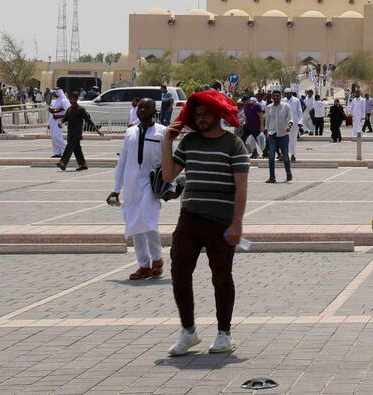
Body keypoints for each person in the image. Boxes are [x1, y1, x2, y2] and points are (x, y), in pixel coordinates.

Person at [162, 90, 249, 356]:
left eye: (205, 114)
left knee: (221, 277)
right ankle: (188, 332)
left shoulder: (234, 145)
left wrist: (237, 224)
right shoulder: (189, 143)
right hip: (189, 218)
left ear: (217, 114)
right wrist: (168, 140)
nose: (200, 120)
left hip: (221, 221)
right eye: (196, 115)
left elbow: (241, 189)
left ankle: (224, 334)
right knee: (179, 271)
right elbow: (168, 174)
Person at [109, 98, 167, 279]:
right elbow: (123, 161)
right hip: (131, 184)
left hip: (151, 184)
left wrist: (170, 185)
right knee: (134, 225)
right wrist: (116, 189)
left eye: (146, 107)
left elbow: (169, 160)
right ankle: (143, 265)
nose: (142, 110)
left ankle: (157, 260)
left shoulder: (163, 132)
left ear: (154, 111)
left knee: (148, 222)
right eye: (140, 107)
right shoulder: (130, 132)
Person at [57, 91, 103, 171]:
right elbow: (65, 118)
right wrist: (60, 122)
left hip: (77, 133)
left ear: (76, 99)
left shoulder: (81, 109)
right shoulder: (69, 109)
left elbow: (89, 121)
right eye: (69, 99)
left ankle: (63, 162)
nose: (70, 101)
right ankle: (83, 164)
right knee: (77, 149)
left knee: (69, 147)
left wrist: (98, 131)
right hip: (70, 132)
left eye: (72, 99)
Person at [263, 89, 293, 183]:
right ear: (272, 97)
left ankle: (288, 173)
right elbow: (267, 122)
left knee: (285, 157)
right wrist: (266, 135)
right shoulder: (268, 108)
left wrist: (289, 126)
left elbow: (290, 118)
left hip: (283, 134)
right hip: (272, 135)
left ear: (280, 96)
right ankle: (272, 177)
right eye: (274, 96)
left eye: (277, 96)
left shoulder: (286, 106)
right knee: (271, 155)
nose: (275, 97)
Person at [49, 89, 70, 157]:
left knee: (56, 135)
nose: (53, 94)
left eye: (54, 93)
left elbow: (68, 111)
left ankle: (65, 149)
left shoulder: (63, 101)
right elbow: (52, 113)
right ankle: (57, 153)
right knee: (53, 137)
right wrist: (49, 123)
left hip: (59, 121)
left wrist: (60, 116)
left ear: (58, 93)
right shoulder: (56, 101)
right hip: (53, 121)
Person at [285, 89, 302, 161]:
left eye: (289, 93)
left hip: (295, 122)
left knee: (293, 139)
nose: (288, 94)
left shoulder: (296, 100)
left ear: (291, 93)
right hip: (285, 122)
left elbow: (300, 111)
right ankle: (286, 154)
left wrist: (300, 122)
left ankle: (293, 154)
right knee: (286, 139)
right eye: (286, 93)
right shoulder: (283, 100)